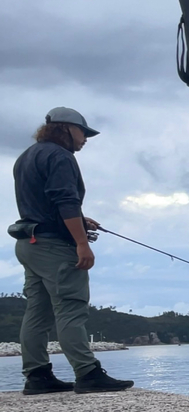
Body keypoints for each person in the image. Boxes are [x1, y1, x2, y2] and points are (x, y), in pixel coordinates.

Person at [9, 107, 134, 395]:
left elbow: (45, 203)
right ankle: (88, 373)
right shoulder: (60, 156)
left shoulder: (26, 156)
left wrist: (78, 219)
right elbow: (65, 199)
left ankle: (37, 376)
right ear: (65, 129)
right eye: (83, 132)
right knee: (71, 308)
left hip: (29, 243)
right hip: (54, 247)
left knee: (37, 312)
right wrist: (81, 242)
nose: (86, 138)